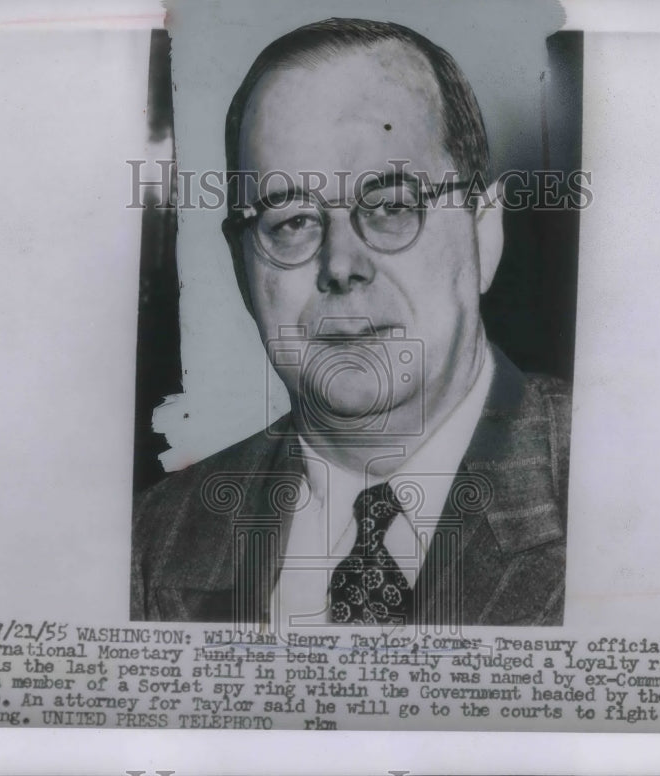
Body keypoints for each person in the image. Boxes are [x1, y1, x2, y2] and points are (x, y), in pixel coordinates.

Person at [131, 17, 571, 627]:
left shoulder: (629, 490)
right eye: (291, 221)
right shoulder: (149, 546)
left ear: (483, 232)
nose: (341, 265)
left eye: (391, 206)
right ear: (241, 267)